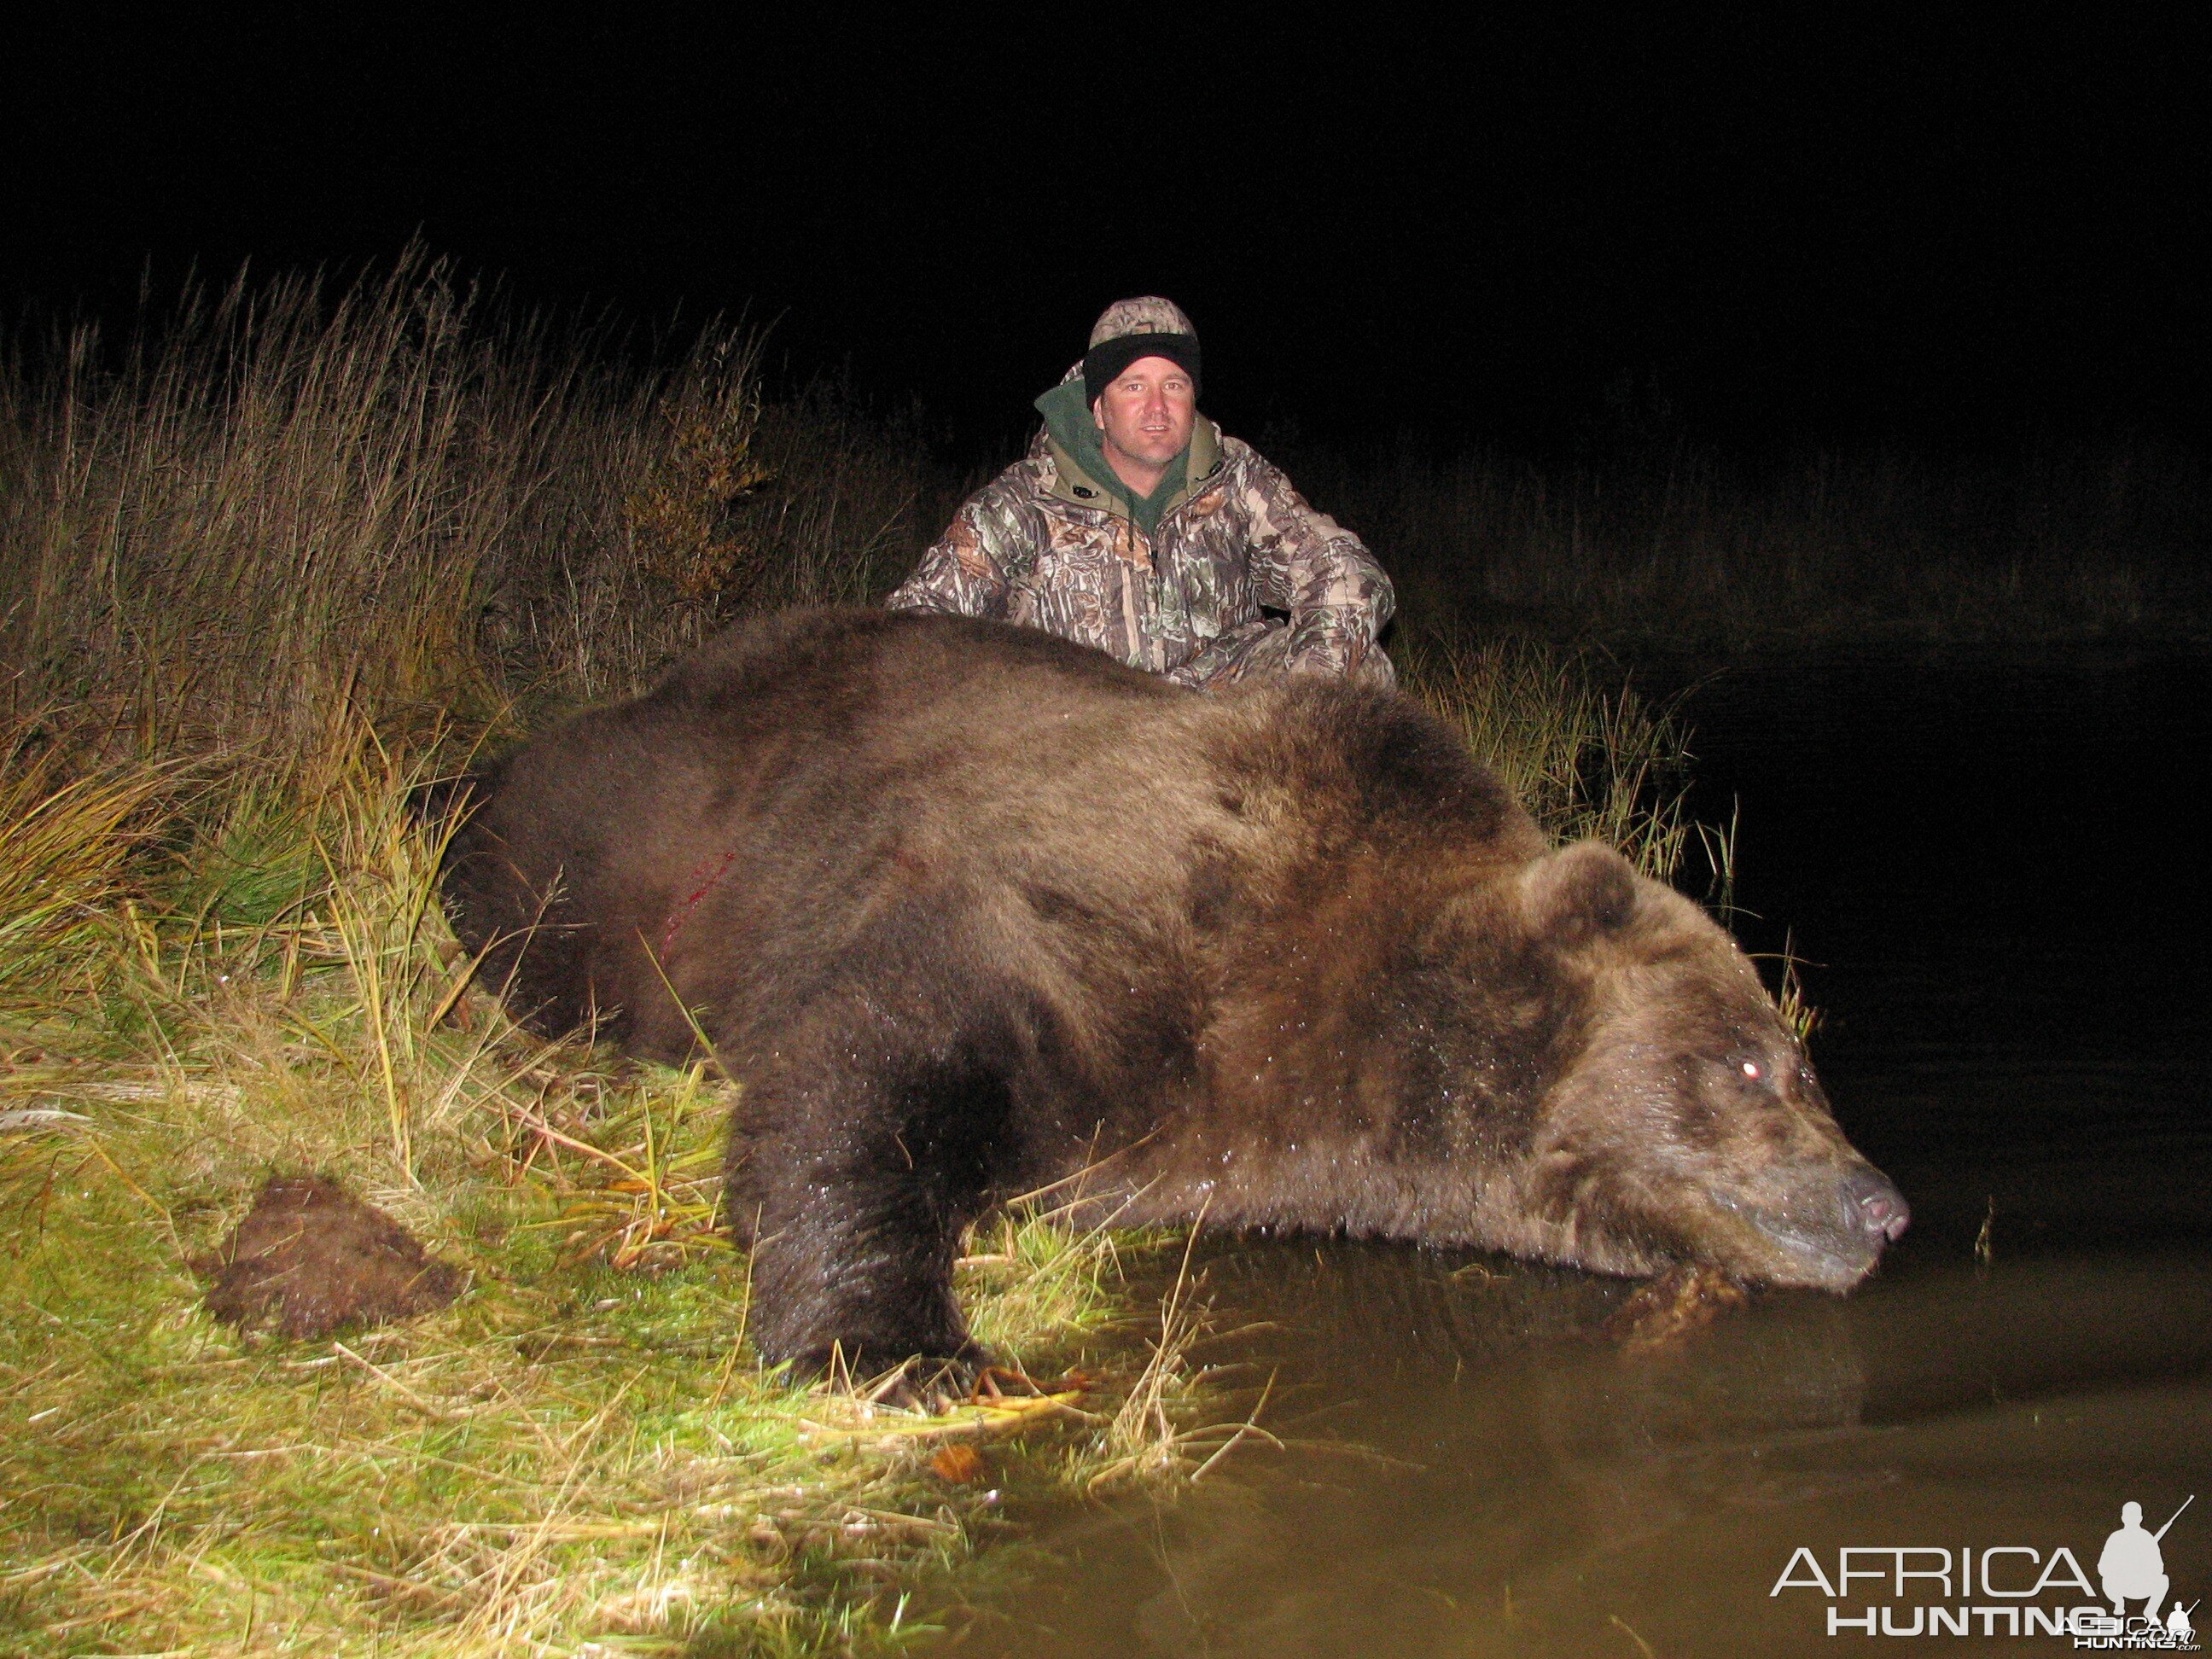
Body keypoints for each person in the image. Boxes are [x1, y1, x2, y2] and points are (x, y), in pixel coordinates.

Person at [887, 298, 1394, 688]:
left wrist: (1308, 689)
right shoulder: (1025, 501)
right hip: (1080, 723)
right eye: (1134, 386)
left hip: (1214, 713)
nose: (1157, 407)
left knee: (1361, 669)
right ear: (1098, 409)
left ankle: (1285, 821)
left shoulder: (1237, 478)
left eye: (1173, 385)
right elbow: (916, 625)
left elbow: (1342, 568)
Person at [2098, 1501, 2171, 1620]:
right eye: (2129, 1516)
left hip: (2142, 1586)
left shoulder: (2147, 1538)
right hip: (2120, 1586)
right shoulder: (2115, 1538)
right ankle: (2119, 1602)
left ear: (2140, 1518)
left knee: (2163, 1580)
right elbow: (2103, 1567)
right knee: (2106, 1579)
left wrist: (2142, 1567)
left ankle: (2150, 1611)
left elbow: (2159, 1568)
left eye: (2134, 1516)